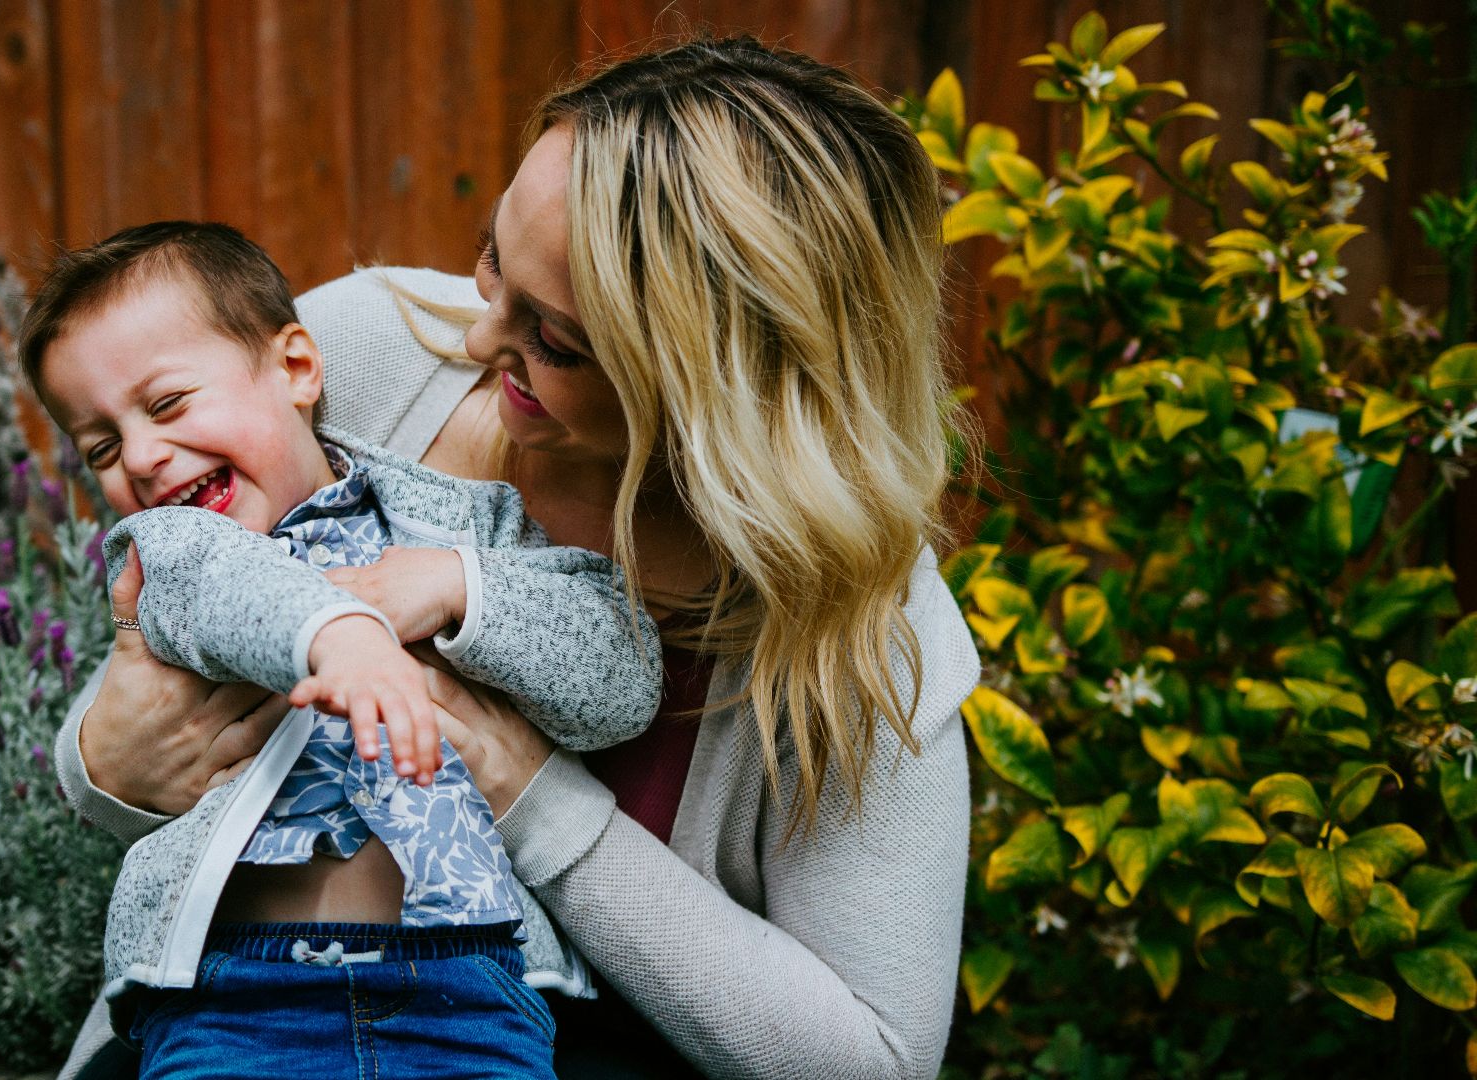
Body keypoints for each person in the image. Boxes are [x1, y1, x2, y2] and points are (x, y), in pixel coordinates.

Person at [55, 35, 981, 1080]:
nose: (482, 335)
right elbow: (184, 619)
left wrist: (535, 799)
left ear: (726, 390)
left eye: (558, 341)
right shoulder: (363, 352)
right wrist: (107, 766)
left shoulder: (860, 619)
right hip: (246, 1014)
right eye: (493, 254)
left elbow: (873, 1060)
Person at [21, 221, 665, 1078]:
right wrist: (341, 633)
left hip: (468, 984)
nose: (140, 456)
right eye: (100, 447)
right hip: (236, 996)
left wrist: (460, 588)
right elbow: (227, 589)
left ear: (295, 368)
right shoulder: (167, 557)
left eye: (168, 404)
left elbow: (618, 679)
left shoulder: (462, 527)